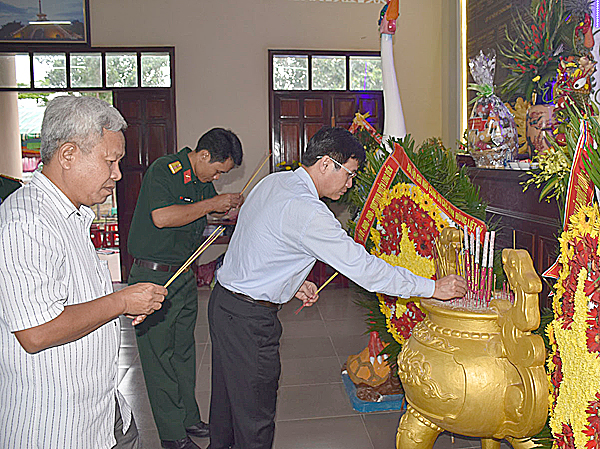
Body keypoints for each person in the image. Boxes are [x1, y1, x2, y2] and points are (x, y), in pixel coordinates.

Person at [208, 126, 467, 449]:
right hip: (249, 322)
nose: (350, 183)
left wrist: (290, 282)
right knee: (254, 419)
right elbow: (367, 270)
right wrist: (431, 287)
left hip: (224, 304)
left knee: (226, 405)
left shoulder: (275, 180)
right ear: (326, 163)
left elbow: (256, 237)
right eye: (350, 173)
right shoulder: (309, 212)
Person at [0, 95, 167, 449]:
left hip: (101, 413)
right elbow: (36, 331)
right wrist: (121, 301)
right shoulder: (27, 221)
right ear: (68, 155)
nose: (118, 175)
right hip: (56, 426)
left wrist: (121, 305)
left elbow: (76, 304)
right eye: (110, 161)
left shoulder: (72, 216)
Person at [127, 128, 244, 449]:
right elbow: (163, 217)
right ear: (204, 155)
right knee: (158, 357)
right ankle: (172, 434)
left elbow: (193, 221)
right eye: (219, 170)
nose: (219, 177)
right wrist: (211, 205)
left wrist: (223, 211)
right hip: (152, 277)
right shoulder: (165, 170)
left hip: (182, 275)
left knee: (183, 352)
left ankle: (188, 417)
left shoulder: (202, 184)